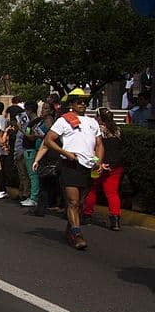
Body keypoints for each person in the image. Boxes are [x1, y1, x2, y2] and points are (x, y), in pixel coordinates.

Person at [34, 88, 104, 250]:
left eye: (85, 102)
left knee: (80, 203)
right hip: (70, 165)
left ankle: (71, 229)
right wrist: (65, 153)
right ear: (72, 104)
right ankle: (77, 234)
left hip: (87, 167)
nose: (83, 104)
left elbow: (99, 144)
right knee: (72, 201)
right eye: (79, 101)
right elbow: (49, 140)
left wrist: (99, 161)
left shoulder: (92, 122)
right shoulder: (63, 121)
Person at [84, 108, 124, 231]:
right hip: (115, 166)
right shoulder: (118, 130)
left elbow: (94, 147)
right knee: (112, 193)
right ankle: (115, 220)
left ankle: (87, 215)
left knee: (92, 190)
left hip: (98, 165)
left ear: (99, 118)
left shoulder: (97, 130)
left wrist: (98, 163)